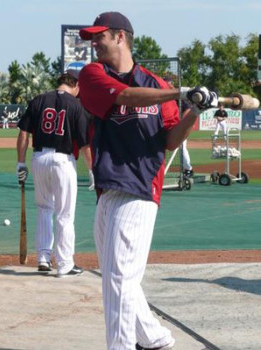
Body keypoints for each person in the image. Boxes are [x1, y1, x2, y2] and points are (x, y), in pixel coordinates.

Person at [78, 11, 218, 350]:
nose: (94, 43)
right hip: (108, 190)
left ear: (121, 37)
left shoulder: (156, 84)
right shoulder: (94, 75)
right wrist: (179, 93)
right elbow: (125, 96)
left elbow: (170, 141)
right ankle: (156, 339)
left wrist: (195, 111)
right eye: (92, 38)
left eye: (100, 36)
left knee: (120, 281)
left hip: (140, 190)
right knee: (118, 279)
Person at [16, 70, 90, 278]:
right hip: (62, 161)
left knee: (43, 208)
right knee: (65, 214)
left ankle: (43, 258)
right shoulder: (76, 106)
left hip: (39, 159)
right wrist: (92, 171)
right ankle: (65, 264)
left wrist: (20, 163)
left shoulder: (39, 100)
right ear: (75, 85)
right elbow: (85, 145)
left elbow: (23, 133)